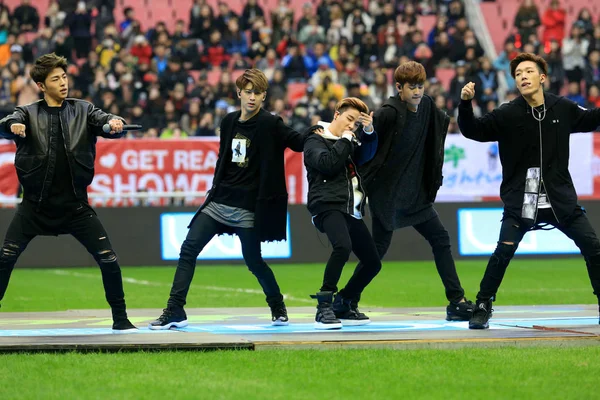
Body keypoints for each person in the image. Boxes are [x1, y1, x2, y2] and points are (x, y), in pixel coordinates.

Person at [149, 69, 316, 330]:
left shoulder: (271, 124)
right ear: (239, 93)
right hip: (218, 201)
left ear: (264, 97)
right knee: (188, 249)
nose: (252, 97)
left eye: (258, 93)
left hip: (249, 208)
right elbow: (225, 160)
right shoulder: (228, 122)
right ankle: (175, 309)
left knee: (254, 262)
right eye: (248, 91)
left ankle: (276, 304)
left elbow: (298, 143)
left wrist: (324, 129)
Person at [458, 52, 600, 329]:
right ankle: (483, 305)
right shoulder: (507, 113)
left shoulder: (563, 107)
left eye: (528, 71)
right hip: (522, 201)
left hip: (561, 201)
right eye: (518, 74)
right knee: (503, 251)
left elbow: (593, 119)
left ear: (542, 77)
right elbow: (473, 130)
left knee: (594, 248)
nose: (522, 76)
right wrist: (465, 104)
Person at [0, 53, 136, 333]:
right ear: (41, 85)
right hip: (34, 208)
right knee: (5, 258)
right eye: (55, 79)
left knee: (109, 260)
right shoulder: (27, 113)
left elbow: (106, 121)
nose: (63, 83)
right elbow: (8, 121)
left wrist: (114, 123)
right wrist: (12, 125)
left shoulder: (84, 110)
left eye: (64, 77)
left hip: (75, 207)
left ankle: (121, 320)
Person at [360, 61, 474, 321]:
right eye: (411, 87)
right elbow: (367, 150)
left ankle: (456, 301)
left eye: (420, 86)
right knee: (376, 255)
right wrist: (367, 132)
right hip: (387, 197)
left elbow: (440, 130)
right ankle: (346, 299)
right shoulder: (387, 113)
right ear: (399, 87)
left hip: (416, 196)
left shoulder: (427, 107)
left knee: (441, 239)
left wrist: (464, 101)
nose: (417, 92)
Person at [304, 97, 380, 329]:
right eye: (349, 119)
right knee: (342, 246)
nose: (351, 126)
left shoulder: (350, 142)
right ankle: (324, 305)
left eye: (355, 123)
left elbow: (366, 156)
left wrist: (368, 132)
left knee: (372, 262)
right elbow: (328, 164)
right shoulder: (314, 139)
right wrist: (347, 138)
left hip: (350, 209)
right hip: (326, 204)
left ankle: (344, 302)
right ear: (336, 114)